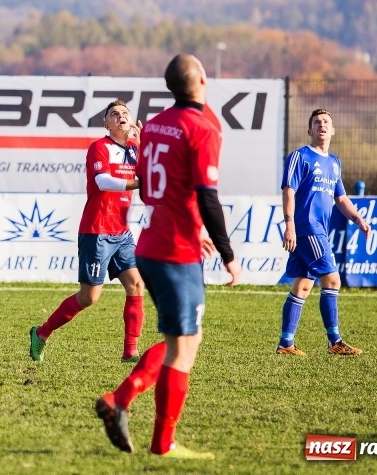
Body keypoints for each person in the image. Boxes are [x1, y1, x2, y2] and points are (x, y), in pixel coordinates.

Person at [96, 54, 241, 460]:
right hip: (177, 253)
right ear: (201, 78)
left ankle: (125, 405)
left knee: (183, 340)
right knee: (184, 348)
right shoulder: (202, 128)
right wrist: (227, 253)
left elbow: (147, 190)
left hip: (150, 245)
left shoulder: (155, 126)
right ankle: (153, 433)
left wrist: (191, 225)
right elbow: (208, 197)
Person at [29, 100, 145, 363]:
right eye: (114, 114)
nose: (120, 117)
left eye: (125, 113)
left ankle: (130, 352)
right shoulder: (99, 147)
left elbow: (154, 172)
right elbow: (102, 181)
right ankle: (42, 333)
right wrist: (139, 183)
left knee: (136, 284)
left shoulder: (136, 149)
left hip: (122, 232)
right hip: (98, 230)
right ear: (106, 124)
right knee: (89, 297)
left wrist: (145, 145)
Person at [276, 108, 370, 356]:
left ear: (333, 130)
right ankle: (335, 341)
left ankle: (286, 343)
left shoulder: (335, 162)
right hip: (307, 229)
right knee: (333, 280)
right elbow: (288, 191)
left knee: (303, 286)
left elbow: (341, 198)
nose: (322, 125)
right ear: (309, 130)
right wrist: (290, 224)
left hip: (317, 230)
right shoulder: (300, 157)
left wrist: (358, 218)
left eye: (326, 122)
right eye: (317, 122)